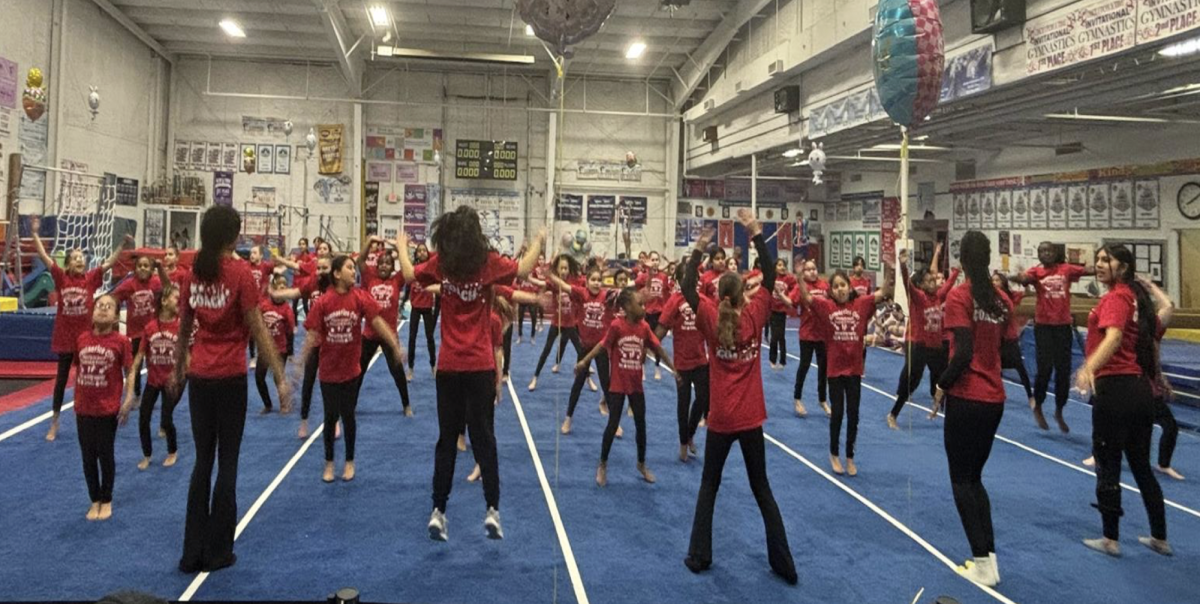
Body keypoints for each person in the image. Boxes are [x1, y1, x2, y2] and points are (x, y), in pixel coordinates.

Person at [397, 207, 542, 542]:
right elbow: (523, 268)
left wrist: (402, 246)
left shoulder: (441, 264)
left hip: (449, 366)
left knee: (447, 440)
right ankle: (492, 510)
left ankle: (439, 512)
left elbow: (408, 275)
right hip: (479, 366)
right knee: (484, 439)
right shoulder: (487, 263)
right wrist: (538, 241)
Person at [172, 205, 290, 574]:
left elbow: (184, 326)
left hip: (200, 376)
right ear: (231, 236)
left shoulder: (196, 273)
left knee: (202, 462)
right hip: (229, 376)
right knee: (228, 462)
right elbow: (258, 327)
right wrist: (280, 377)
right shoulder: (239, 273)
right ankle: (219, 551)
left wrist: (178, 369)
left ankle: (191, 552)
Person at [681, 212, 797, 585]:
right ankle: (783, 563)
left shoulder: (710, 317)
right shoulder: (756, 316)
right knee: (762, 489)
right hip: (750, 419)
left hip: (720, 420)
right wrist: (755, 233)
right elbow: (770, 272)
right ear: (743, 295)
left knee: (709, 487)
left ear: (718, 295)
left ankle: (699, 555)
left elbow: (686, 286)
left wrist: (699, 249)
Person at [1074, 244, 1170, 558]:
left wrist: (1089, 368)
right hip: (1140, 390)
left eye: (1107, 260)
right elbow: (1161, 320)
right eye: (1098, 259)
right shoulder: (1137, 300)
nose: (1099, 264)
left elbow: (1113, 338)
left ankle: (1110, 538)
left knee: (1108, 463)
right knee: (1141, 465)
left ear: (1124, 267)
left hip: (1116, 389)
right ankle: (1159, 537)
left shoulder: (1116, 297)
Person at [928, 231, 1012, 587]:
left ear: (961, 260)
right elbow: (1007, 353)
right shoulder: (1001, 300)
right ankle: (988, 559)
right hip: (994, 399)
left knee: (961, 480)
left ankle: (981, 560)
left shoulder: (960, 298)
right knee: (975, 479)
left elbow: (962, 352)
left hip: (968, 397)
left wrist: (941, 385)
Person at [301, 255, 401, 483]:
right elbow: (312, 334)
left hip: (351, 370)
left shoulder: (360, 297)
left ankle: (349, 461)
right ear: (336, 274)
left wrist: (394, 344)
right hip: (328, 370)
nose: (353, 271)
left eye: (354, 268)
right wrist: (300, 362)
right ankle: (328, 463)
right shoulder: (324, 302)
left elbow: (377, 322)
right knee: (329, 417)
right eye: (349, 268)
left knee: (348, 417)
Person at [788, 264, 892, 475]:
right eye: (835, 287)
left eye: (843, 285)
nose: (840, 290)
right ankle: (834, 454)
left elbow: (885, 292)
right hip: (835, 370)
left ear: (849, 286)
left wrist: (890, 270)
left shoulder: (861, 304)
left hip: (854, 369)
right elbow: (807, 298)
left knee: (854, 415)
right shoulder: (827, 307)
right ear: (831, 290)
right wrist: (799, 279)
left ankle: (850, 456)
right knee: (838, 413)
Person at [31, 218, 127, 442]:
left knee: (90, 378)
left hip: (86, 339)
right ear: (68, 264)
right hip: (66, 339)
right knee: (62, 380)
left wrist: (122, 245)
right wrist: (35, 233)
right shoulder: (61, 277)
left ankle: (95, 413)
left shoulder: (91, 279)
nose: (79, 261)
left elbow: (109, 263)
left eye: (82, 258)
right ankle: (54, 421)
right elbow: (45, 258)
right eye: (75, 258)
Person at [579, 287, 677, 486]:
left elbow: (658, 347)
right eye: (639, 304)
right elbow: (602, 345)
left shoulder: (644, 327)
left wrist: (673, 369)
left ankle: (641, 463)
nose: (644, 307)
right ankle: (603, 463)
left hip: (635, 386)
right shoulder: (617, 326)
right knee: (613, 423)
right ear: (626, 307)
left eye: (643, 304)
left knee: (641, 424)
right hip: (617, 384)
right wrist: (583, 361)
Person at [1010, 241, 1094, 433]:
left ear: (1055, 253)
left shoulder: (1066, 269)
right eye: (1041, 251)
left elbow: (1087, 270)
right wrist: (1017, 276)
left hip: (1063, 327)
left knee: (1063, 371)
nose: (1045, 254)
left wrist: (1098, 267)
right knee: (1045, 369)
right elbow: (1022, 279)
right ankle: (1038, 404)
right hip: (1044, 328)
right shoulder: (1036, 273)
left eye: (1048, 251)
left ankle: (1059, 410)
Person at [75, 294, 133, 521]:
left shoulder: (121, 342)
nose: (103, 310)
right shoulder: (81, 339)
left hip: (107, 408)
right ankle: (94, 499)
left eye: (109, 307)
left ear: (116, 317)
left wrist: (129, 398)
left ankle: (106, 498)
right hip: (83, 408)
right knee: (87, 456)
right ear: (92, 312)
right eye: (99, 306)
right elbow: (78, 369)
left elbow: (129, 372)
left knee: (105, 454)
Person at [121, 285, 182, 470]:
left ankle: (172, 451)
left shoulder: (180, 326)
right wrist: (130, 391)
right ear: (163, 301)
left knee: (166, 419)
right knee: (143, 418)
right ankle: (147, 454)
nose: (179, 300)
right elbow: (138, 358)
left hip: (173, 380)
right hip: (154, 380)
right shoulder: (150, 327)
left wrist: (178, 375)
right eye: (175, 297)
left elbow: (187, 356)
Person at [887, 250, 949, 428]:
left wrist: (958, 271)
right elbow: (907, 284)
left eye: (934, 280)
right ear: (921, 285)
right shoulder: (918, 297)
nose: (934, 283)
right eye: (929, 281)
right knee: (912, 382)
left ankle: (943, 412)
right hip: (919, 345)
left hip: (935, 347)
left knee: (940, 381)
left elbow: (949, 284)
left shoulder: (938, 297)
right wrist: (903, 266)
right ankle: (893, 414)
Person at [657, 261, 709, 462]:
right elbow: (661, 328)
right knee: (683, 403)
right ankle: (682, 443)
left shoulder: (702, 300)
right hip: (681, 362)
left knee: (704, 399)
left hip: (701, 360)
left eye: (694, 278)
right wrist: (647, 345)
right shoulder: (674, 301)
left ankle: (690, 434)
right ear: (679, 280)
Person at [357, 236, 412, 416]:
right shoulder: (369, 278)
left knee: (397, 372)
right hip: (370, 334)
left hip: (389, 335)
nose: (384, 266)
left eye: (388, 263)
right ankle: (350, 404)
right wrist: (369, 240)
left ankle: (406, 405)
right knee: (359, 371)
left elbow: (408, 269)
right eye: (381, 263)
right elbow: (360, 260)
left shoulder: (396, 280)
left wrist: (400, 247)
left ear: (392, 266)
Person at [554, 266, 613, 435]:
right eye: (593, 280)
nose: (596, 283)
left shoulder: (606, 296)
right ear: (586, 282)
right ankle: (568, 418)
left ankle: (614, 422)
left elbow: (625, 293)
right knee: (578, 384)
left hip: (601, 347)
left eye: (599, 280)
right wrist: (551, 274)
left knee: (606, 383)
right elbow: (564, 286)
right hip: (585, 347)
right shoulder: (581, 293)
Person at [113, 254, 168, 398]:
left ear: (151, 269)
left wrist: (161, 269)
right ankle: (136, 393)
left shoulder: (155, 282)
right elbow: (114, 297)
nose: (142, 268)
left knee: (154, 363)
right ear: (135, 269)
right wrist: (115, 315)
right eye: (140, 266)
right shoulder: (129, 284)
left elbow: (168, 287)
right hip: (135, 332)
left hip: (153, 332)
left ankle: (155, 390)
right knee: (134, 365)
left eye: (146, 266)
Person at [528, 254, 583, 391]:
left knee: (581, 352)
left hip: (570, 324)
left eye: (566, 268)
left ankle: (586, 378)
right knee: (546, 350)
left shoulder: (574, 282)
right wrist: (528, 278)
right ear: (557, 270)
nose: (564, 271)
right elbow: (541, 283)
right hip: (556, 323)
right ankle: (535, 377)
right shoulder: (553, 283)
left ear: (569, 269)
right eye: (561, 268)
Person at [787, 259, 829, 417]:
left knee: (823, 368)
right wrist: (779, 296)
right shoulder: (800, 287)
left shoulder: (824, 286)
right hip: (807, 334)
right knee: (804, 366)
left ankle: (822, 399)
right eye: (808, 269)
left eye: (814, 268)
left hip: (822, 334)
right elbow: (791, 302)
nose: (812, 272)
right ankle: (797, 398)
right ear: (803, 273)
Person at [992, 271, 1034, 407]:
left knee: (1019, 367)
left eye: (997, 280)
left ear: (1003, 283)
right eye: (992, 280)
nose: (994, 283)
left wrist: (1024, 281)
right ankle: (996, 393)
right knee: (995, 368)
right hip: (996, 338)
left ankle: (1030, 395)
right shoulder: (989, 297)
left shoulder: (1011, 296)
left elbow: (1027, 294)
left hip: (1010, 337)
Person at [257, 275, 296, 414]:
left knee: (278, 377)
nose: (281, 290)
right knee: (259, 377)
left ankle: (284, 404)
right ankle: (267, 404)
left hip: (281, 349)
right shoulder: (264, 305)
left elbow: (290, 332)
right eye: (279, 287)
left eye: (284, 288)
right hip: (265, 348)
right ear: (273, 290)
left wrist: (290, 352)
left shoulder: (287, 310)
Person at [635, 251, 671, 380]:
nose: (655, 262)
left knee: (657, 343)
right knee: (644, 343)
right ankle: (642, 368)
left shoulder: (663, 277)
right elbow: (637, 285)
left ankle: (657, 367)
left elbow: (667, 294)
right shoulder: (644, 276)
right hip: (648, 312)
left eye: (657, 260)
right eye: (653, 260)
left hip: (659, 312)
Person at [406, 243, 438, 380]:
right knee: (412, 338)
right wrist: (403, 303)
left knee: (430, 338)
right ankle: (411, 368)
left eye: (424, 250)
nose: (422, 253)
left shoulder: (431, 270)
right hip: (415, 307)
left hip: (427, 307)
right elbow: (408, 286)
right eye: (419, 251)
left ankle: (433, 365)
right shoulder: (413, 269)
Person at [768, 258, 796, 370]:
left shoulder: (788, 278)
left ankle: (783, 360)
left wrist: (790, 297)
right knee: (774, 337)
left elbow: (795, 288)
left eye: (784, 265)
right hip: (773, 310)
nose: (782, 267)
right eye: (779, 265)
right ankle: (772, 359)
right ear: (775, 267)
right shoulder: (772, 277)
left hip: (782, 311)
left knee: (781, 337)